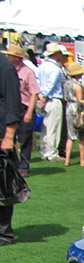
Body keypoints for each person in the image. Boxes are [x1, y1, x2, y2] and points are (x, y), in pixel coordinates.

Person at [4, 45, 37, 177]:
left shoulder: (28, 72)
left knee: (25, 138)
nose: (7, 57)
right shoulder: (7, 70)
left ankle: (24, 167)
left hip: (24, 107)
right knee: (9, 137)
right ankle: (12, 165)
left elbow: (34, 93)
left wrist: (29, 111)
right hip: (10, 107)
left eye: (9, 55)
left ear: (16, 58)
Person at [1, 50, 22, 245]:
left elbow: (13, 105)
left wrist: (9, 136)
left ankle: (3, 234)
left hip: (1, 136)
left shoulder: (5, 68)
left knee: (3, 186)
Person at [36, 42, 67, 161]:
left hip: (44, 98)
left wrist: (40, 96)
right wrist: (44, 95)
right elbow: (51, 85)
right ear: (57, 54)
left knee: (45, 126)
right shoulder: (55, 68)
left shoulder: (42, 66)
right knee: (53, 127)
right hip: (53, 98)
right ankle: (51, 153)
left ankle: (44, 151)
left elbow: (38, 81)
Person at [62, 61, 84, 167]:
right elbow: (81, 101)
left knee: (70, 136)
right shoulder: (77, 85)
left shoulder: (66, 83)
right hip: (76, 108)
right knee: (81, 134)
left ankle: (67, 159)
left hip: (68, 107)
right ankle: (83, 160)